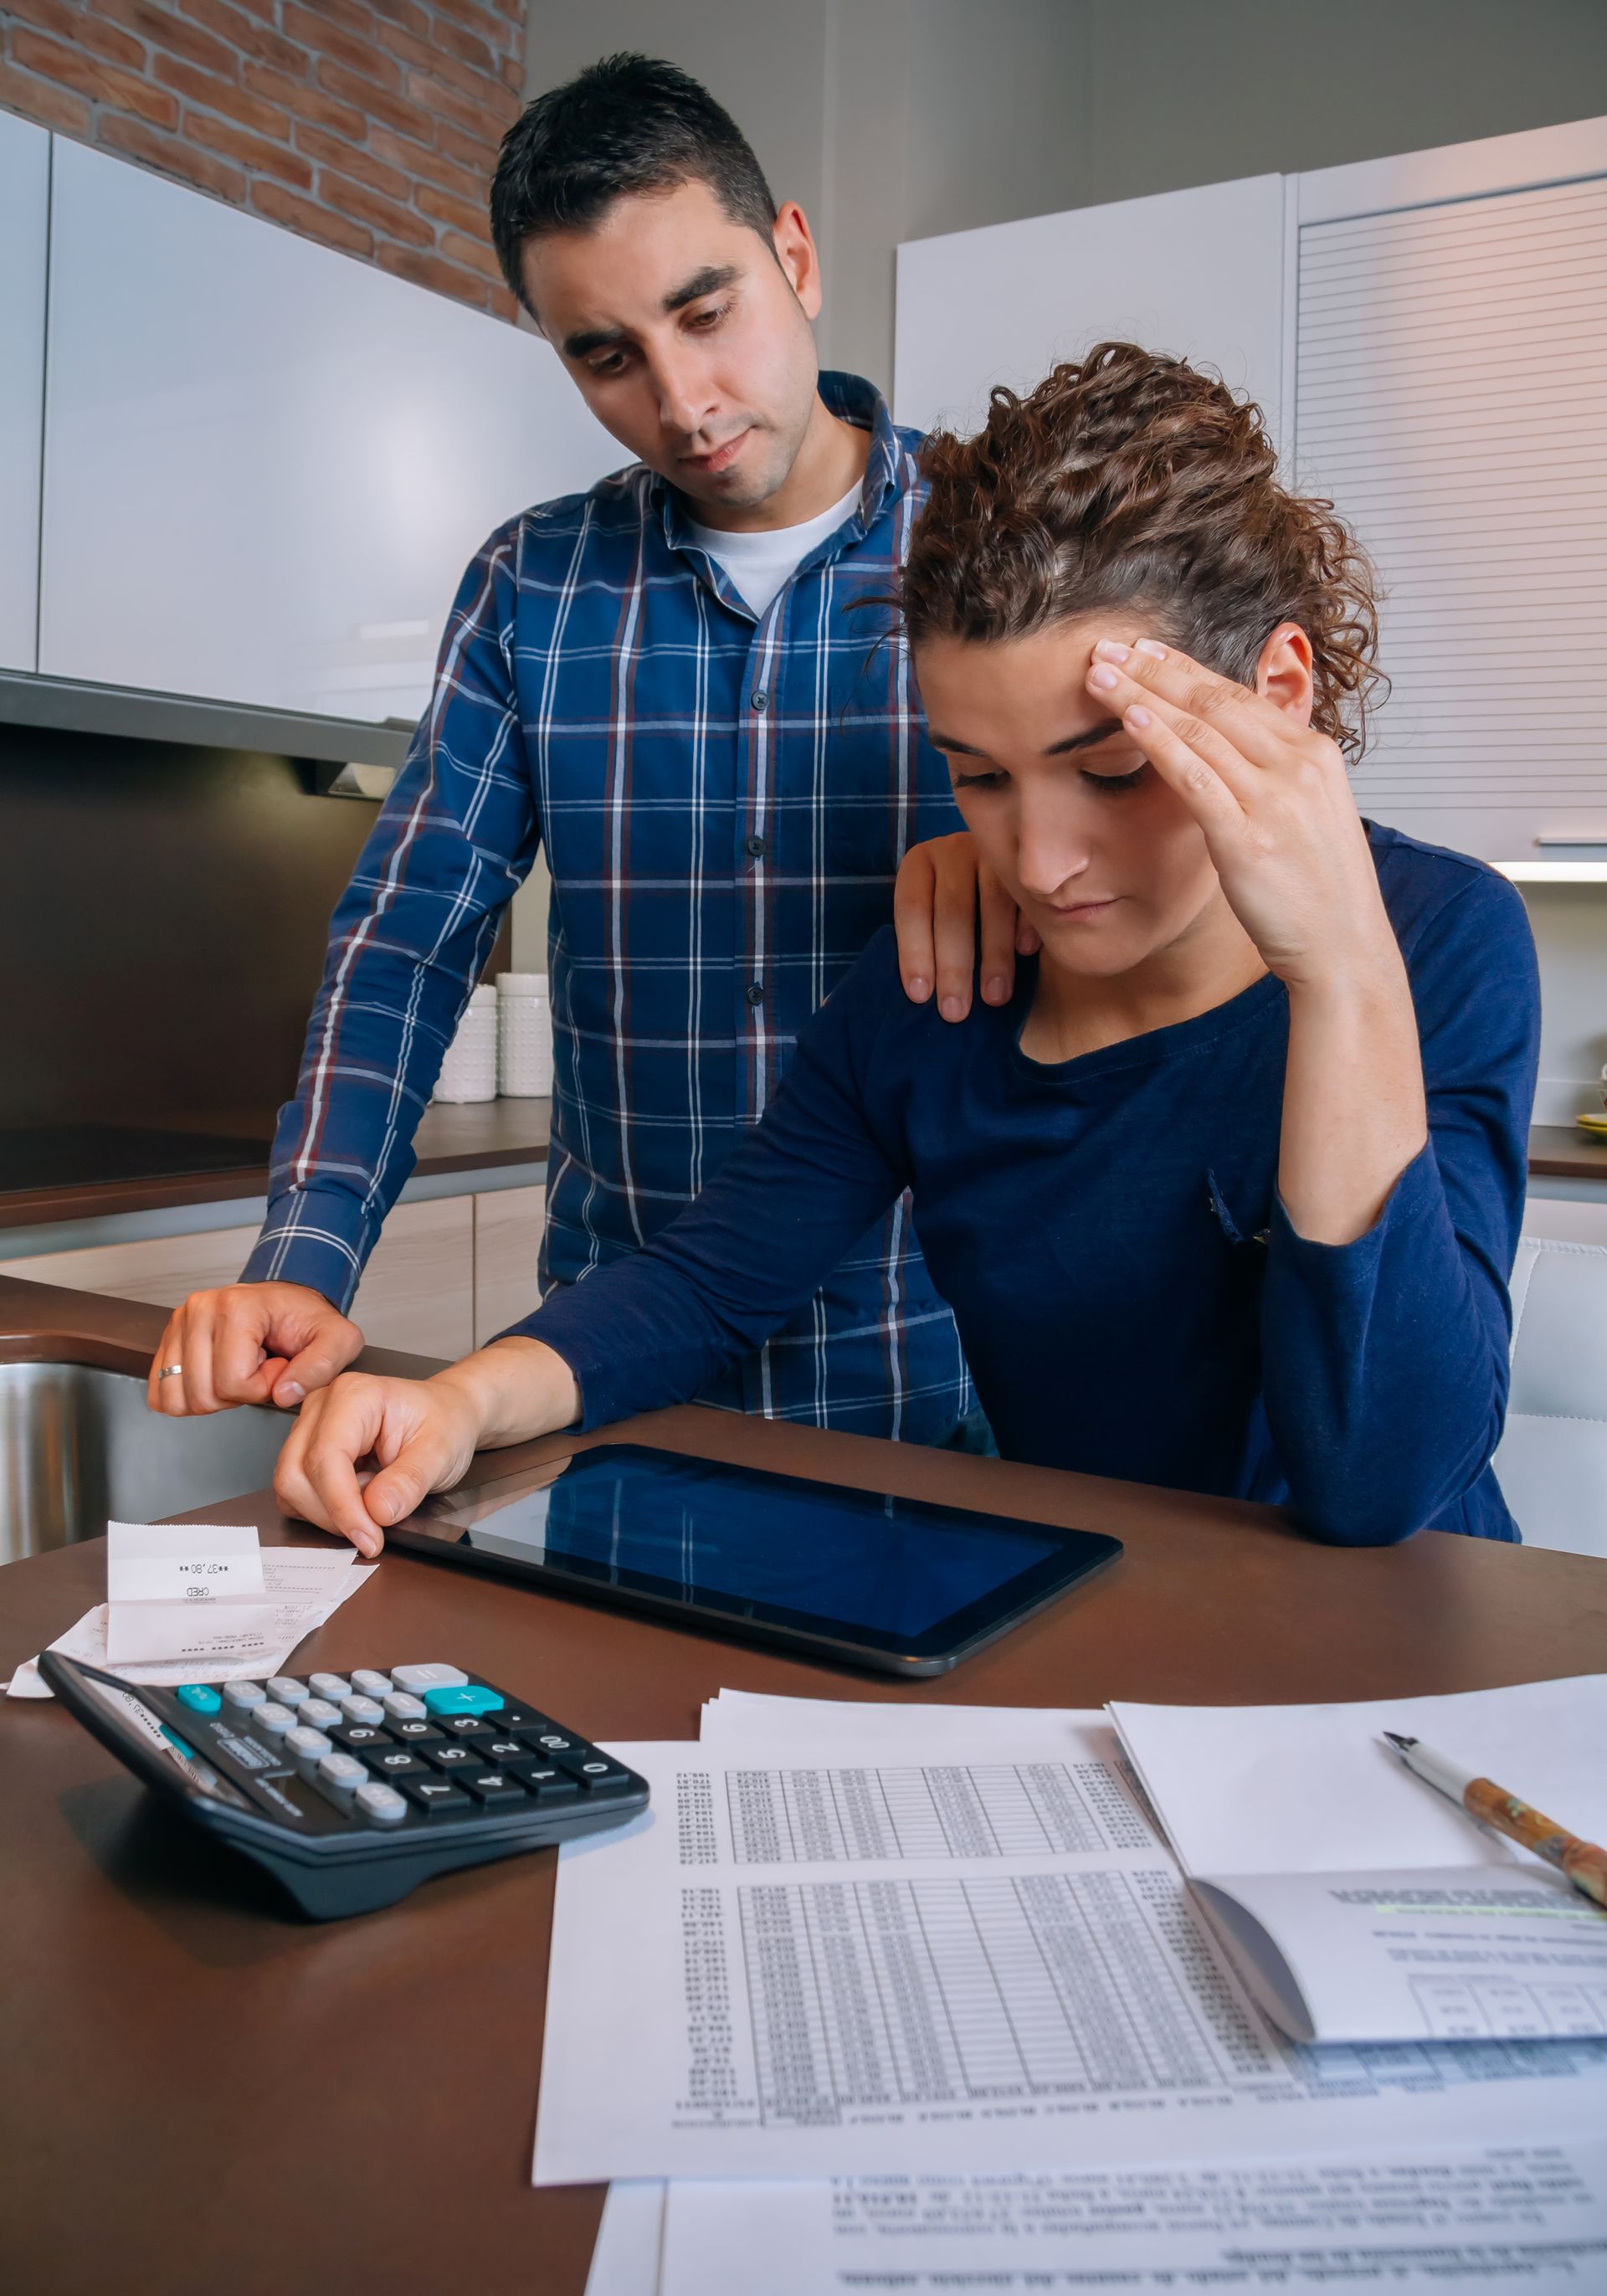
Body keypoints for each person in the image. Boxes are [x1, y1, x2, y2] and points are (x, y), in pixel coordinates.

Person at [270, 344, 1541, 1555]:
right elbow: (710, 1283)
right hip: (1095, 1618)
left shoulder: (1440, 940)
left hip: (1395, 1656)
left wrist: (1340, 971)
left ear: (1275, 696)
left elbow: (1380, 1486)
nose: (1042, 862)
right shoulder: (945, 978)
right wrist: (459, 1403)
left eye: (1112, 771)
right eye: (979, 777)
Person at [146, 54, 1009, 1450]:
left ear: (794, 256)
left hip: (943, 1365)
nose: (684, 400)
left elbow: (1160, 890)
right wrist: (306, 1252)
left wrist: (1016, 850)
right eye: (607, 357)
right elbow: (407, 942)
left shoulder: (996, 541)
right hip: (610, 1375)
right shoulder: (533, 586)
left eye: (707, 313)